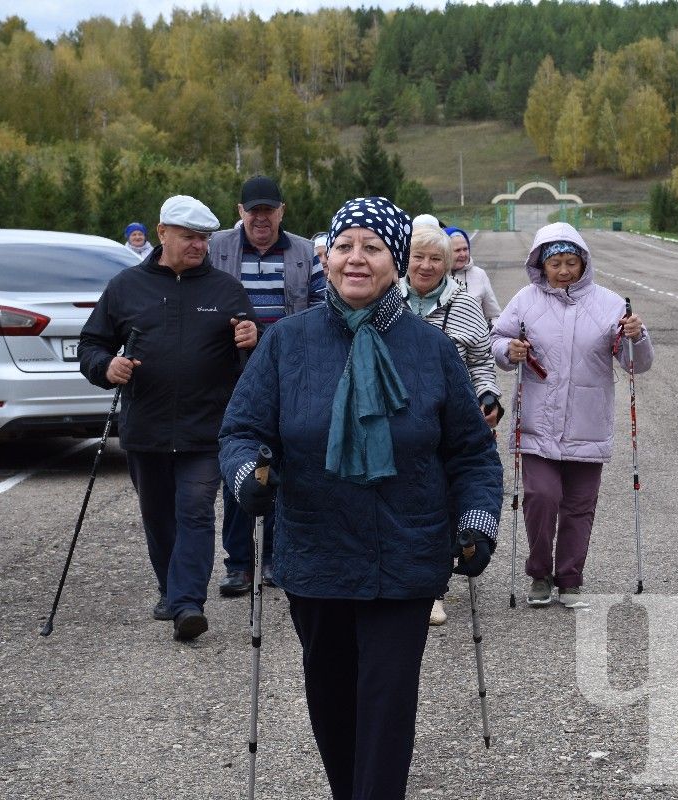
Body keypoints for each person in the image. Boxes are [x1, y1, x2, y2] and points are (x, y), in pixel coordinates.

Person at [219, 196, 501, 800]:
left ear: (396, 264)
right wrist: (250, 475)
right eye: (345, 246)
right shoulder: (288, 344)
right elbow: (242, 430)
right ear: (326, 258)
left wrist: (477, 522)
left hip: (406, 555)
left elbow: (472, 453)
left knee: (386, 700)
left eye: (372, 248)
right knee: (331, 695)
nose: (355, 259)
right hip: (317, 553)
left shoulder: (432, 351)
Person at [79, 195, 258, 641]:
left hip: (207, 428)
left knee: (196, 512)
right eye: (188, 237)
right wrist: (107, 368)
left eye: (204, 239)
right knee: (159, 516)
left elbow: (252, 361)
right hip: (147, 428)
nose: (198, 245)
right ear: (162, 233)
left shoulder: (226, 290)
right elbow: (91, 345)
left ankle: (187, 606)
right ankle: (169, 588)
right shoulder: (125, 287)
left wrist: (251, 339)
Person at [491, 222, 652, 608]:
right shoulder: (525, 300)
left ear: (583, 262)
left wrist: (636, 337)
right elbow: (497, 339)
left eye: (571, 262)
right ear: (541, 265)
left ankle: (570, 578)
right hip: (536, 421)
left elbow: (635, 364)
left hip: (588, 422)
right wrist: (507, 350)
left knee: (580, 506)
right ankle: (539, 573)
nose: (564, 270)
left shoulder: (610, 304)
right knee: (540, 496)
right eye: (555, 263)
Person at [209, 175, 325, 598]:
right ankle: (239, 563)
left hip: (289, 374)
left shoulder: (304, 252)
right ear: (239, 212)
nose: (261, 217)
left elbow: (319, 308)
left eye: (268, 209)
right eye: (252, 209)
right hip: (231, 376)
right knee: (239, 464)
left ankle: (276, 555)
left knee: (286, 463)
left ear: (281, 211)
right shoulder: (215, 247)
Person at [400, 224, 504, 626]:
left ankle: (433, 588)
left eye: (435, 259)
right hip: (397, 418)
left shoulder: (463, 305)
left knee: (442, 501)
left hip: (448, 419)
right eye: (418, 257)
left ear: (449, 263)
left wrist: (488, 396)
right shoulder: (387, 299)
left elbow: (481, 361)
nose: (426, 266)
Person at [446, 226, 501, 324]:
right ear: (445, 252)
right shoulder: (437, 276)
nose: (463, 254)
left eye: (465, 249)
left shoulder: (479, 274)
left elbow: (494, 315)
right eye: (457, 250)